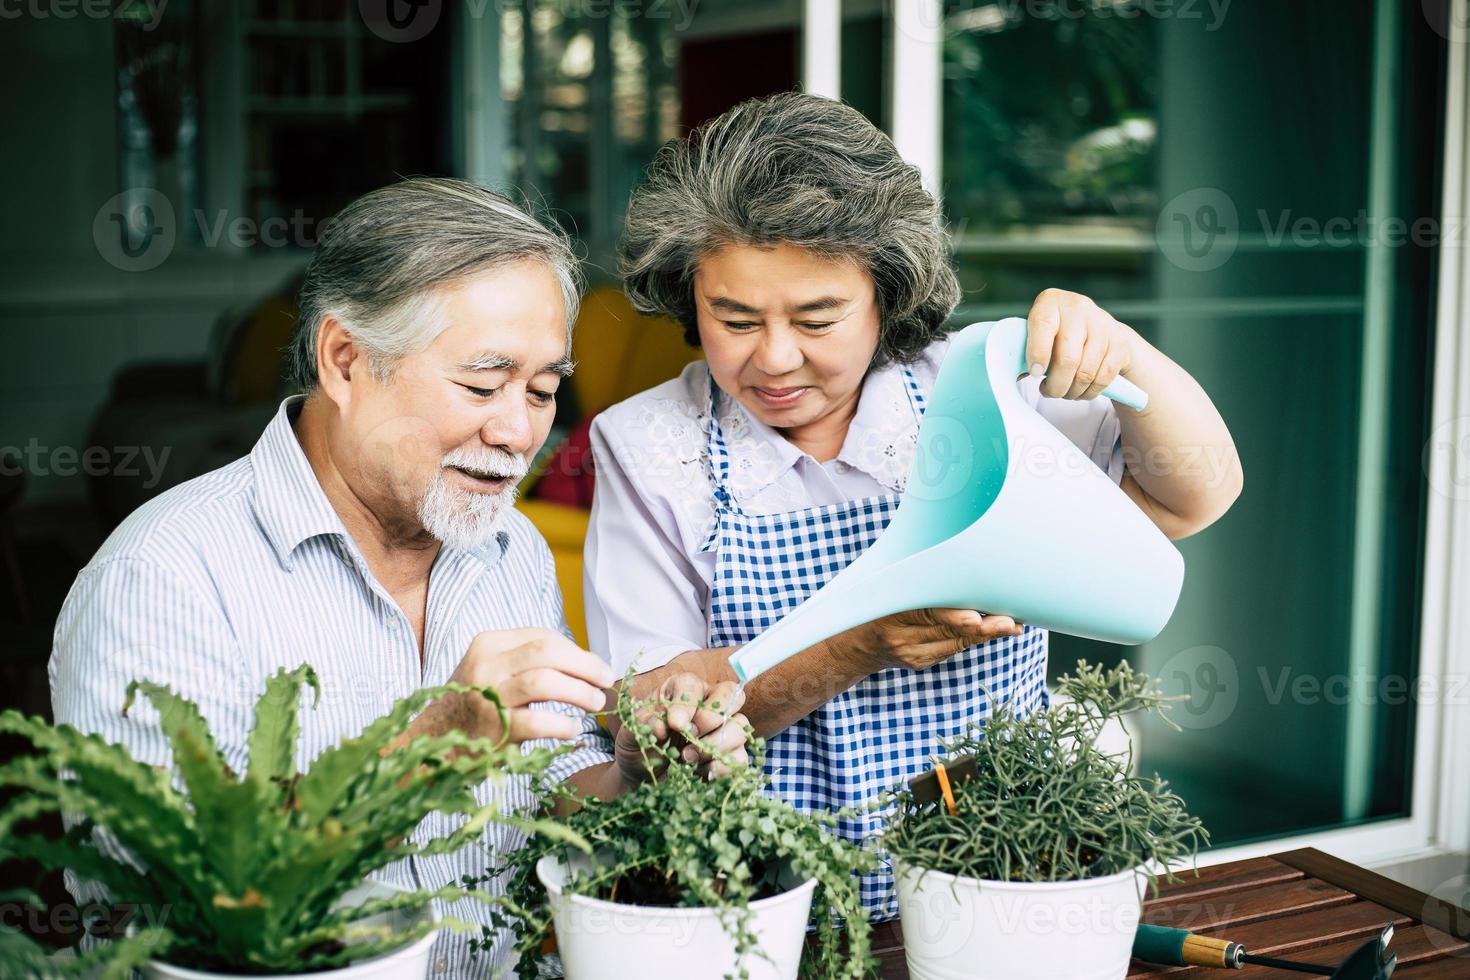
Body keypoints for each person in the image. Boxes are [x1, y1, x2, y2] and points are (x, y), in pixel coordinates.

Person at [49, 177, 748, 977]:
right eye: (482, 385)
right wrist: (427, 754)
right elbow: (167, 898)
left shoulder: (509, 548)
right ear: (345, 360)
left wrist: (631, 770)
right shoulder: (163, 578)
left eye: (544, 390)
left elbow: (552, 788)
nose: (518, 431)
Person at [584, 92, 1243, 918]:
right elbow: (650, 719)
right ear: (690, 296)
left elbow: (1191, 500)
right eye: (735, 318)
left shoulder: (982, 389)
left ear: (886, 296)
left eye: (818, 318)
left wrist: (1124, 353)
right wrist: (860, 644)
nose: (776, 359)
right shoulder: (647, 443)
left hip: (1000, 867)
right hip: (772, 904)